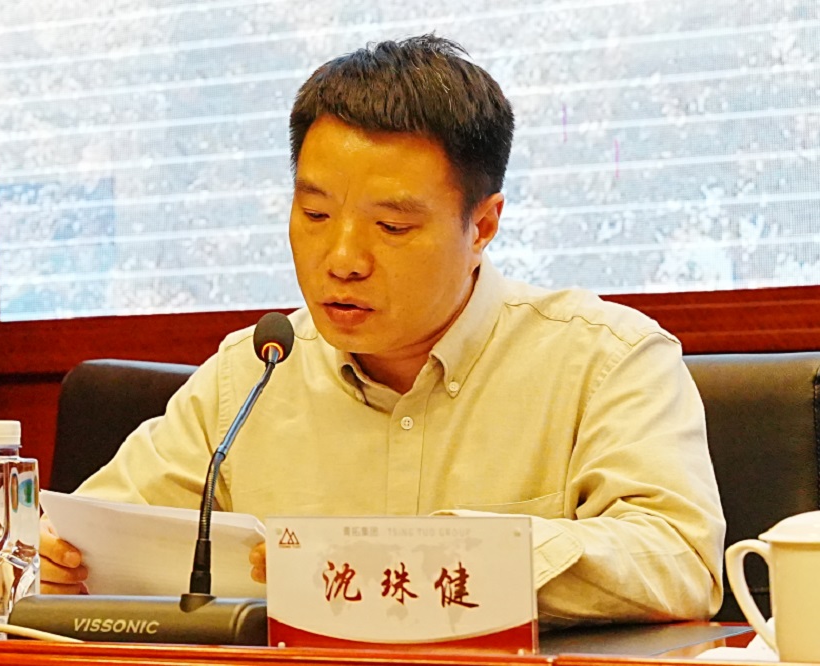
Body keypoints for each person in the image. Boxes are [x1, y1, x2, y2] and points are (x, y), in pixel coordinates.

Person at [39, 35, 725, 626]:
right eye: (315, 215)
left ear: (483, 225)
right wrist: (53, 565)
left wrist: (434, 560)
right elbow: (88, 534)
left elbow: (678, 559)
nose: (342, 260)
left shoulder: (603, 359)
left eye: (392, 226)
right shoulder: (254, 372)